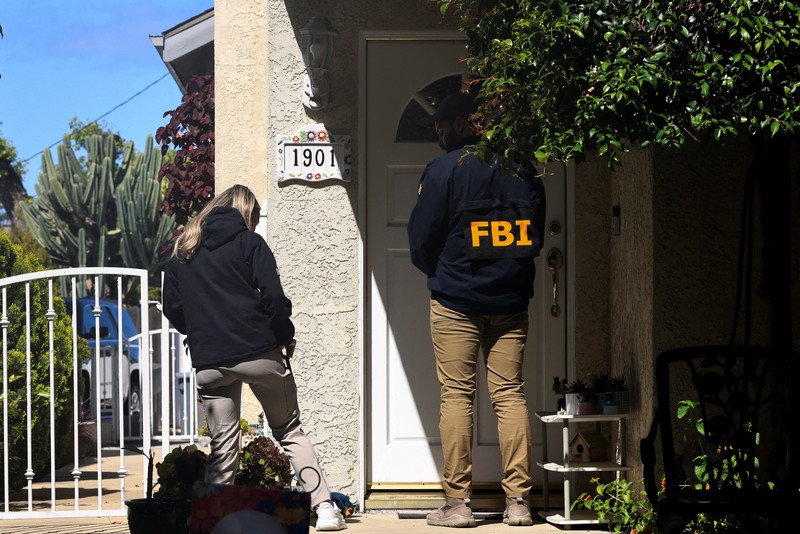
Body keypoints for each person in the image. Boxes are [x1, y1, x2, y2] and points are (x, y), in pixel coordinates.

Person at [162, 184, 346, 531]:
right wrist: (284, 336)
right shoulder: (250, 244)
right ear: (245, 214)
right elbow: (274, 299)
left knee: (223, 444)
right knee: (289, 430)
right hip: (260, 353)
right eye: (254, 219)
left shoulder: (183, 251)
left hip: (210, 362)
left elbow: (173, 308)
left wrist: (203, 334)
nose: (254, 227)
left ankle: (212, 520)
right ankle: (324, 509)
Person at [407, 93, 546, 528]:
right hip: (510, 300)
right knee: (510, 396)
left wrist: (444, 272)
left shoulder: (445, 171)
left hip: (457, 302)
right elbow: (535, 235)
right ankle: (519, 503)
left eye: (443, 124)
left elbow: (421, 240)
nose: (438, 132)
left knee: (457, 396)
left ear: (466, 124)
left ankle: (458, 505)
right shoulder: (524, 169)